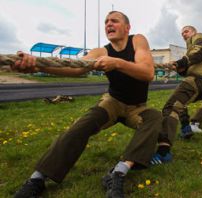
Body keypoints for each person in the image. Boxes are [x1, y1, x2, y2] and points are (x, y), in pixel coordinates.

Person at [12, 11, 162, 198]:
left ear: (127, 27)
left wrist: (117, 63)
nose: (108, 24)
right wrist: (38, 65)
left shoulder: (138, 40)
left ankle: (118, 172)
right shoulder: (101, 52)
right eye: (106, 22)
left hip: (137, 107)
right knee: (81, 126)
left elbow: (147, 73)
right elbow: (75, 68)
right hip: (113, 102)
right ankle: (37, 179)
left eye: (114, 21)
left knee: (155, 118)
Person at [150, 25, 202, 164]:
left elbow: (200, 52)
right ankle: (186, 128)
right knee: (180, 103)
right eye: (182, 33)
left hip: (200, 80)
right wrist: (179, 67)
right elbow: (189, 66)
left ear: (193, 31)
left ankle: (163, 153)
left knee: (170, 107)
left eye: (186, 31)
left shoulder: (199, 37)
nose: (184, 35)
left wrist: (181, 61)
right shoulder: (190, 49)